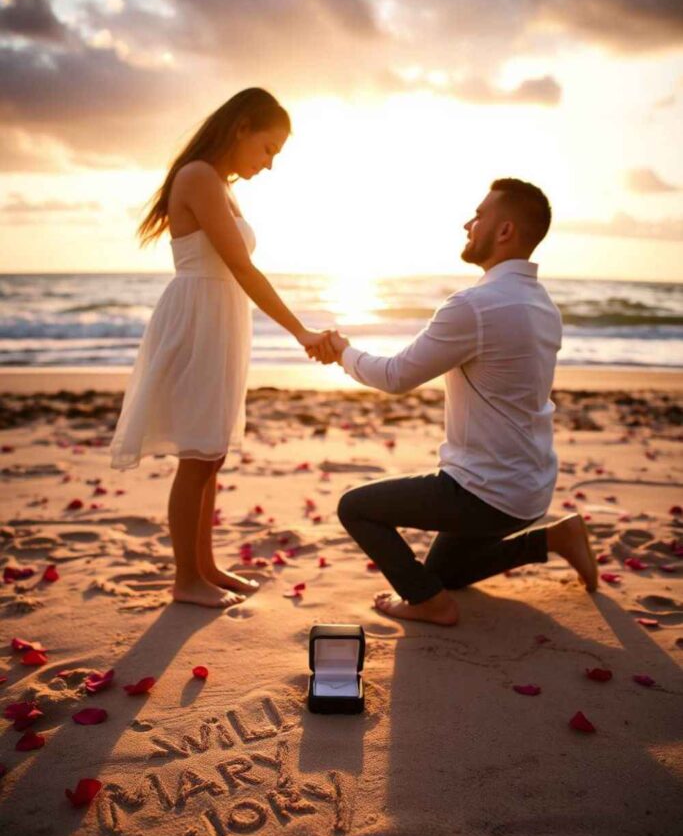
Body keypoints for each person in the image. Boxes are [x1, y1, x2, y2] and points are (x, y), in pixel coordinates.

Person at [322, 178, 598, 626]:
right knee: (444, 571)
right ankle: (554, 538)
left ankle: (430, 605)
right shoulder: (542, 302)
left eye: (479, 214)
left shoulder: (476, 305)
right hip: (530, 489)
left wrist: (342, 353)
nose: (468, 223)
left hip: (483, 493)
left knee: (355, 507)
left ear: (504, 231)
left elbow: (395, 377)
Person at [110, 88, 335, 610]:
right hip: (198, 319)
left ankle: (205, 566)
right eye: (268, 148)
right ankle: (186, 579)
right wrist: (299, 330)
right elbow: (240, 266)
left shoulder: (222, 185)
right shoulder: (198, 177)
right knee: (197, 455)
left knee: (210, 452)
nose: (270, 163)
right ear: (241, 130)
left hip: (220, 318)